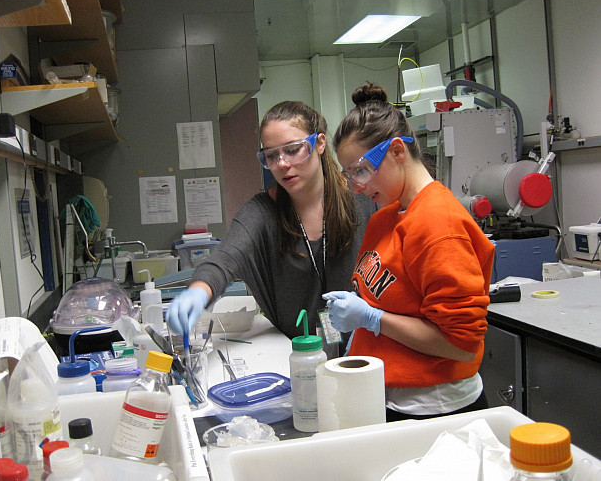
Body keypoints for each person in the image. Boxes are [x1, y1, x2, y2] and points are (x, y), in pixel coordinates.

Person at [323, 83, 495, 421]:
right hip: (388, 395)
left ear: (398, 151)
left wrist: (372, 319)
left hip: (434, 408)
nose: (356, 185)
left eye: (361, 170)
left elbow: (460, 344)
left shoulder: (438, 224)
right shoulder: (386, 216)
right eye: (349, 174)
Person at [166, 101, 377, 351]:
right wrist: (199, 291)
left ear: (319, 143)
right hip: (295, 354)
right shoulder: (262, 212)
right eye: (271, 155)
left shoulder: (364, 199)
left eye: (292, 150)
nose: (282, 163)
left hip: (367, 350)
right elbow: (225, 259)